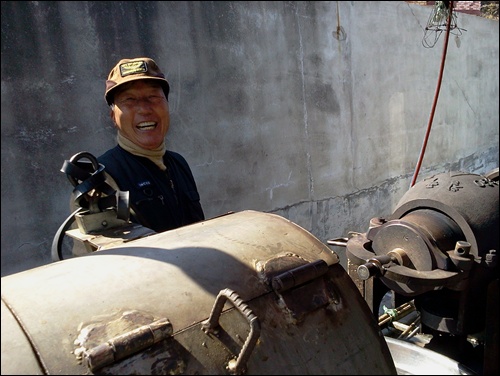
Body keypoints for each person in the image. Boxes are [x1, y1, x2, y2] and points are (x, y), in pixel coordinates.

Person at [97, 57, 205, 233]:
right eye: (130, 100)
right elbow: (104, 255)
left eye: (153, 97)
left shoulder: (178, 164)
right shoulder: (104, 178)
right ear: (113, 117)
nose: (144, 109)